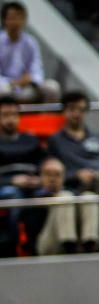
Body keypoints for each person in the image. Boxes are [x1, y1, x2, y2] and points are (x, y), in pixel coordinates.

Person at [24, 157, 99, 255]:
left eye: (57, 175)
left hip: (79, 241)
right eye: (48, 174)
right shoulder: (32, 197)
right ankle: (68, 245)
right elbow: (30, 230)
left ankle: (90, 244)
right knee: (64, 197)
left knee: (89, 196)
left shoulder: (73, 194)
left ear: (63, 177)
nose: (52, 179)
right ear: (41, 176)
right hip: (48, 244)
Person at [0, 95, 45, 256]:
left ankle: (41, 244)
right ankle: (14, 246)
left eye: (13, 115)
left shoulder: (31, 140)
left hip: (32, 184)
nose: (10, 120)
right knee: (13, 195)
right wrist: (12, 180)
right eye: (5, 115)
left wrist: (40, 179)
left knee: (49, 195)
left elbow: (44, 164)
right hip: (6, 186)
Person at [48, 90, 99, 194]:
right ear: (64, 111)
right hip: (69, 187)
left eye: (81, 110)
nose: (76, 114)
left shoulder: (98, 138)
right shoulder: (55, 140)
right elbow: (51, 171)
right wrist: (75, 175)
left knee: (91, 195)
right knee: (65, 197)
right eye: (72, 109)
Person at [0, 0, 61, 102]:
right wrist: (13, 83)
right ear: (4, 20)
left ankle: (46, 117)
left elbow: (36, 68)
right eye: (11, 18)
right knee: (2, 90)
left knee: (52, 87)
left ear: (24, 20)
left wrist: (31, 80)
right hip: (6, 86)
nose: (15, 23)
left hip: (27, 86)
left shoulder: (31, 42)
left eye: (18, 18)